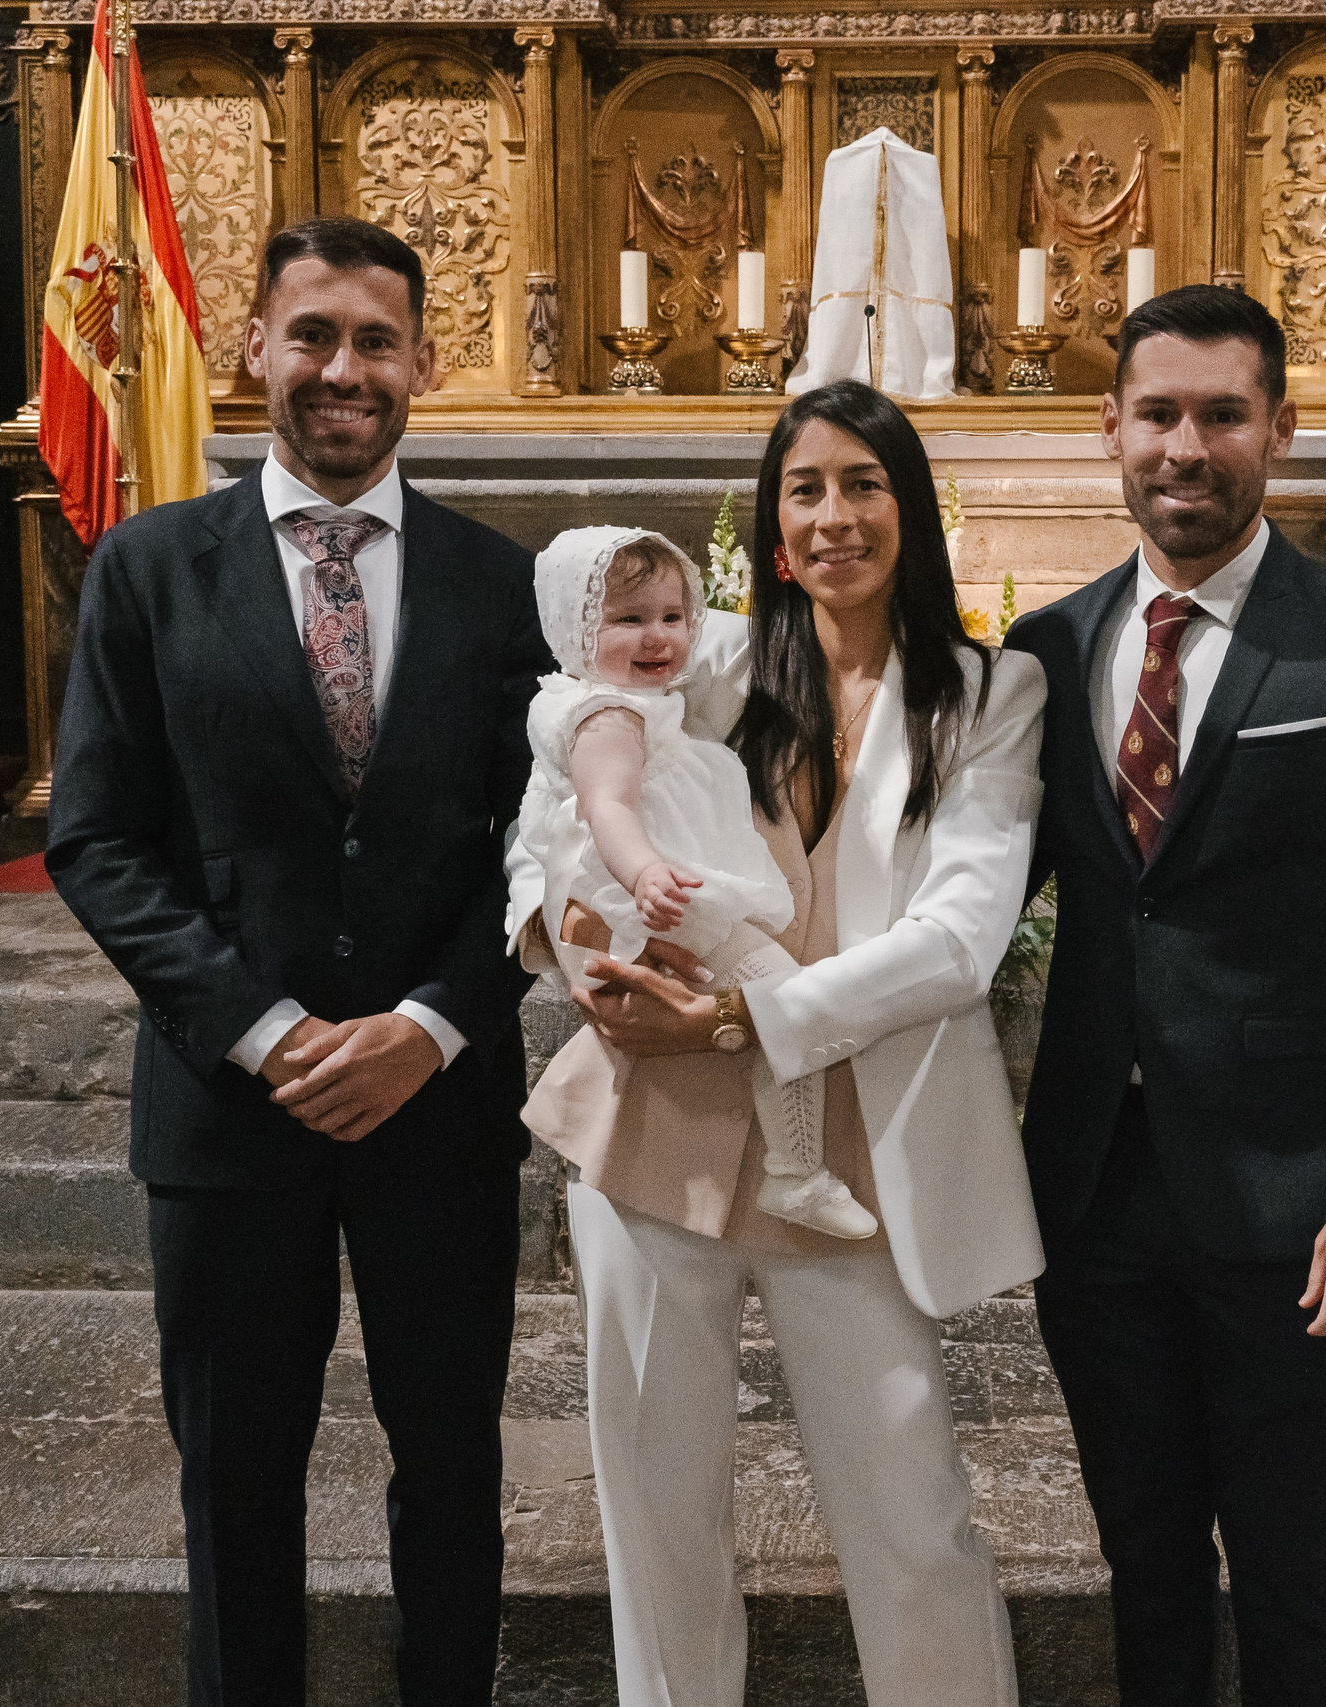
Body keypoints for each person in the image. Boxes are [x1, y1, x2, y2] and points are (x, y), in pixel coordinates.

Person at [47, 216, 554, 1707]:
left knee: (453, 1465)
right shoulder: (146, 569)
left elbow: (543, 845)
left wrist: (433, 1022)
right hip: (227, 1112)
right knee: (238, 1478)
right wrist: (263, 1030)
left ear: (424, 364)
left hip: (439, 1108)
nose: (346, 368)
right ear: (253, 348)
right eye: (315, 333)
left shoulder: (498, 581)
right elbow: (97, 837)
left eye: (377, 340)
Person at [1003, 285, 1326, 1707]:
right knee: (1143, 1557)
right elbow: (965, 905)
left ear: (1279, 429)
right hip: (1098, 1189)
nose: (1187, 445)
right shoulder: (1045, 651)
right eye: (1158, 412)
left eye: (1223, 414)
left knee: (1290, 1561)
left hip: (1296, 1196)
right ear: (1109, 428)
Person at [506, 378, 1045, 1704]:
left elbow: (962, 933)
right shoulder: (708, 653)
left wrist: (747, 1010)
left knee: (914, 1511)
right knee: (656, 1514)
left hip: (847, 1137)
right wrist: (570, 948)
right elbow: (565, 785)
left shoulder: (988, 687)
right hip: (655, 1127)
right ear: (771, 517)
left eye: (863, 482)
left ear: (910, 505)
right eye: (804, 487)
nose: (834, 514)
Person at [513, 524, 875, 1239]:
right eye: (629, 619)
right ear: (574, 628)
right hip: (655, 900)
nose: (659, 638)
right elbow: (598, 807)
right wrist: (621, 891)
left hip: (664, 893)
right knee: (783, 997)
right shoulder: (610, 711)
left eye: (673, 618)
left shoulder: (645, 687)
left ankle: (796, 1170)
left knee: (779, 1000)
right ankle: (798, 1171)